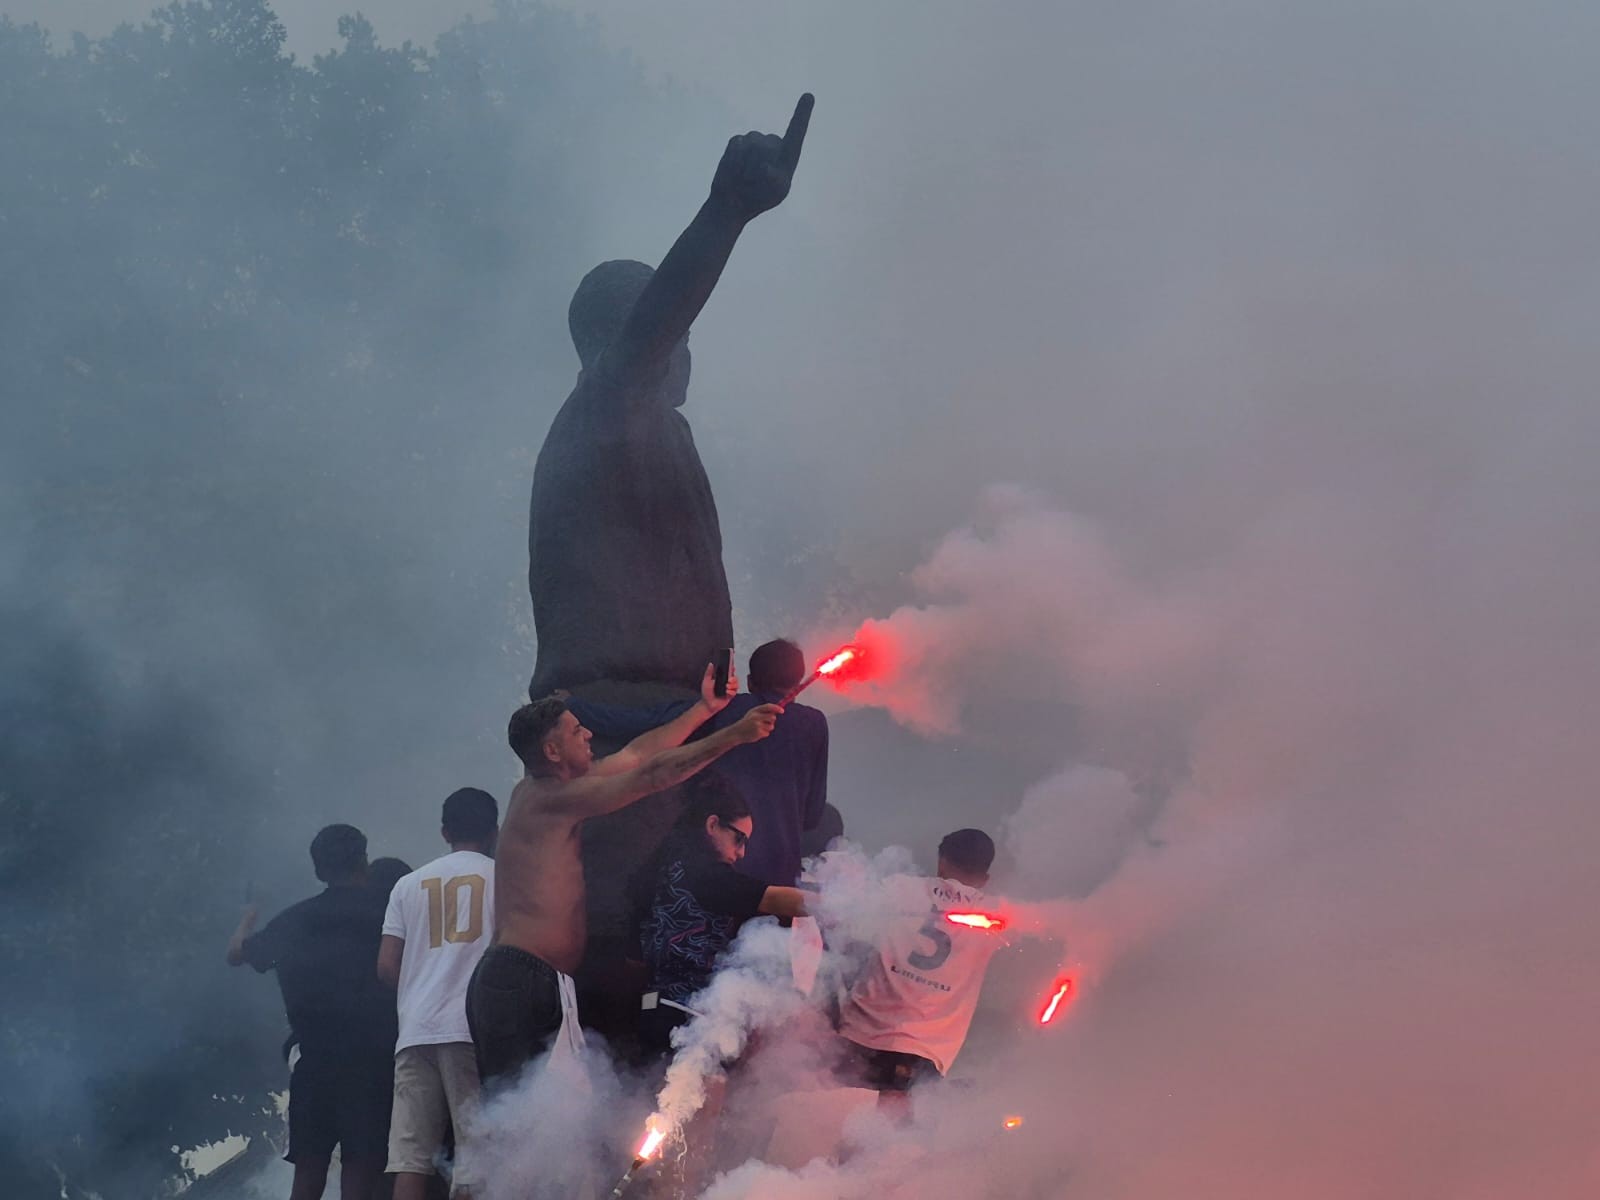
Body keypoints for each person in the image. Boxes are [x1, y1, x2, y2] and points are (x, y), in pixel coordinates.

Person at [526, 94, 814, 698]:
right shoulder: (607, 408)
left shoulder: (649, 428)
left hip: (675, 711)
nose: (683, 351)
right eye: (676, 335)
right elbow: (647, 334)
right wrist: (726, 212)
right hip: (621, 715)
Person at [466, 663, 781, 1090]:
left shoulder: (546, 789)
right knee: (510, 1126)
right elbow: (652, 775)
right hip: (520, 981)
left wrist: (705, 710)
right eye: (577, 731)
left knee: (539, 1123)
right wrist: (733, 735)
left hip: (532, 981)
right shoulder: (550, 800)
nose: (590, 734)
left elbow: (637, 755)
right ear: (553, 751)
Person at [564, 638, 830, 888]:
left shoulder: (724, 708)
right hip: (780, 875)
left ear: (750, 680)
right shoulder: (814, 724)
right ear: (798, 681)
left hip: (719, 873)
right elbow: (812, 814)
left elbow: (639, 720)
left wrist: (571, 706)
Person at [226, 825, 395, 1200]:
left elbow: (236, 954)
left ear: (319, 871)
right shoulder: (387, 909)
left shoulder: (294, 920)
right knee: (361, 1166)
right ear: (363, 862)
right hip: (373, 1062)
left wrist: (250, 914)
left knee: (310, 1168)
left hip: (315, 1062)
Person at [631, 774, 809, 1056]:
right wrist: (845, 904)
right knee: (697, 1097)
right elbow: (776, 898)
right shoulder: (705, 875)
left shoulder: (665, 865)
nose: (741, 853)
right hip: (686, 1016)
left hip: (654, 1008)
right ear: (712, 825)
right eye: (738, 839)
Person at [377, 788, 499, 1200]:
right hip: (471, 1030)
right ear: (494, 830)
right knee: (475, 1152)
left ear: (445, 831)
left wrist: (418, 993)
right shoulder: (504, 879)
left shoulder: (406, 886)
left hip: (415, 1031)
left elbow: (386, 966)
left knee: (410, 1158)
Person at [835, 829, 1005, 1114]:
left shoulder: (899, 888)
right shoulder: (997, 915)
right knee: (890, 1148)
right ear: (986, 879)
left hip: (860, 1031)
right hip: (924, 1051)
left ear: (941, 862)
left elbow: (846, 920)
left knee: (824, 1128)